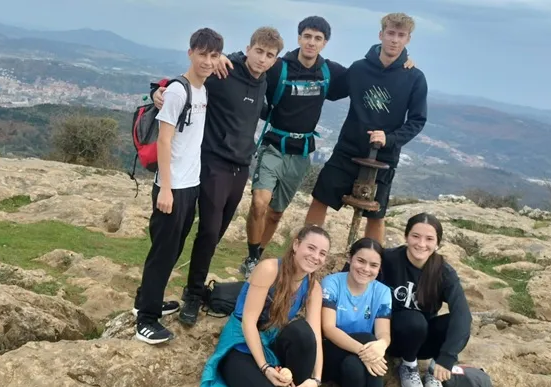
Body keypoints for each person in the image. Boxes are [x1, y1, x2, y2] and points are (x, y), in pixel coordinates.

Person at [213, 16, 414, 278]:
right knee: (260, 203)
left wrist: (403, 63)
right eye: (307, 36)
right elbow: (253, 63)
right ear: (299, 38)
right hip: (274, 144)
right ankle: (252, 257)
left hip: (301, 151)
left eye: (318, 38)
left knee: (275, 213)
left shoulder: (330, 72)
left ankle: (258, 253)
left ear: (325, 43)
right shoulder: (279, 67)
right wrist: (224, 57)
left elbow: (371, 76)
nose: (311, 42)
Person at [150, 27, 286, 327]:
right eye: (258, 51)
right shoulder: (224, 72)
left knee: (217, 233)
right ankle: (193, 294)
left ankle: (192, 287)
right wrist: (157, 91)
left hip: (241, 168)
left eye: (269, 55)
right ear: (248, 49)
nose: (262, 59)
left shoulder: (263, 81)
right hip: (213, 163)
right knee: (209, 231)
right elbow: (186, 82)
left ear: (275, 60)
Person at [133, 27, 223, 345]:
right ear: (190, 53)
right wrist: (166, 188)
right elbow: (164, 140)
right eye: (202, 54)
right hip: (172, 186)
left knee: (173, 248)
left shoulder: (203, 90)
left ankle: (147, 299)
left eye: (213, 55)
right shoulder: (177, 91)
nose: (207, 61)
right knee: (163, 252)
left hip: (190, 183)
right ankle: (146, 319)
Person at [305, 12, 428, 245]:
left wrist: (390, 138)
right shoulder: (359, 69)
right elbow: (332, 90)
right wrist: (306, 63)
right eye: (390, 33)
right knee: (320, 199)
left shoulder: (414, 77)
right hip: (347, 151)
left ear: (408, 39)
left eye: (401, 35)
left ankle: (373, 261)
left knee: (376, 215)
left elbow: (417, 120)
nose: (394, 40)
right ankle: (305, 248)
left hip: (384, 158)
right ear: (381, 35)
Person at [346, 212, 472, 387]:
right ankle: (408, 366)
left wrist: (447, 356)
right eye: (415, 236)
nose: (421, 244)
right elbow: (354, 274)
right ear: (406, 236)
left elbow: (462, 313)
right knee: (413, 320)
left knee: (456, 322)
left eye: (429, 239)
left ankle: (434, 370)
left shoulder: (443, 272)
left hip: (423, 341)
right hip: (390, 336)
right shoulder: (389, 259)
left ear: (437, 243)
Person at [200, 225, 329, 387]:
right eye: (311, 248)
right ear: (296, 245)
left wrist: (316, 379)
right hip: (241, 344)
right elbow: (248, 322)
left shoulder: (314, 288)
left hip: (271, 343)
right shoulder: (269, 269)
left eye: (322, 253)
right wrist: (265, 367)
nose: (316, 256)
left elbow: (315, 336)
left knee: (303, 333)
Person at [319, 237, 391, 387]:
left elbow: (383, 332)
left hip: (354, 362)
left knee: (354, 365)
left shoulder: (383, 292)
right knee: (368, 338)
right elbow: (328, 328)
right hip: (328, 354)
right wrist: (364, 351)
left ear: (379, 268)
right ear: (350, 258)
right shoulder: (331, 283)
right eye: (361, 261)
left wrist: (382, 344)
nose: (366, 269)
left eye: (373, 265)